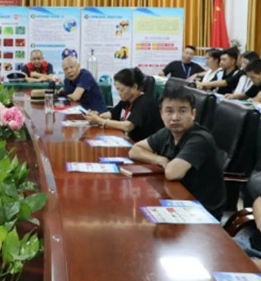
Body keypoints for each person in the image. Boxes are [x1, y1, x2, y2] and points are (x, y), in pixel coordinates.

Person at [129, 85, 226, 219]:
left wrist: (164, 163)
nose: (175, 117)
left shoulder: (200, 139)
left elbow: (172, 173)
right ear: (161, 114)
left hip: (202, 211)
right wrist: (160, 160)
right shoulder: (167, 132)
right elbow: (135, 150)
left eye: (182, 111)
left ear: (193, 114)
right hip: (177, 199)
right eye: (169, 111)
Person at [85, 68, 163, 142]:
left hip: (144, 145)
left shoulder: (144, 103)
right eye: (117, 90)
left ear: (134, 87)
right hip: (127, 139)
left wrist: (101, 121)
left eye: (122, 90)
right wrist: (97, 116)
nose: (119, 93)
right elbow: (112, 113)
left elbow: (128, 126)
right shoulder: (127, 99)